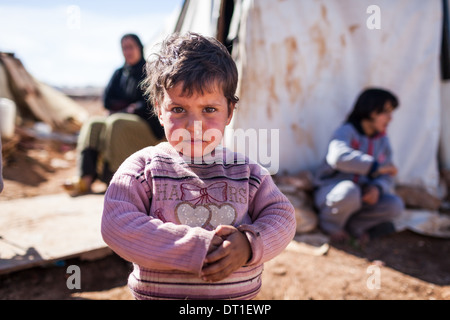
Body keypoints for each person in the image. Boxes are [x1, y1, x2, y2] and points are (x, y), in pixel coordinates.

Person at [101, 32, 296, 300]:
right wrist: (194, 247)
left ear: (229, 112)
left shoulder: (247, 172)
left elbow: (282, 215)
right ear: (159, 110)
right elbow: (116, 224)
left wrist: (250, 244)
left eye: (209, 110)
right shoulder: (143, 168)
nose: (195, 126)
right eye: (179, 109)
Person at [63, 33, 165, 196]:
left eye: (131, 47)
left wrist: (128, 107)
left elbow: (148, 103)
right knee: (93, 123)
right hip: (122, 118)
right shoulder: (120, 73)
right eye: (124, 48)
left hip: (148, 127)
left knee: (116, 122)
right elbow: (107, 101)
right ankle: (85, 179)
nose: (127, 51)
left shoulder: (149, 71)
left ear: (140, 48)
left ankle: (116, 179)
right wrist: (128, 106)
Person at [313, 88, 404, 244]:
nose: (390, 118)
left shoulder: (382, 141)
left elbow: (388, 174)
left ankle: (353, 228)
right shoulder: (346, 131)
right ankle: (331, 227)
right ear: (373, 111)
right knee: (349, 191)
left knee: (394, 204)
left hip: (362, 197)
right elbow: (337, 157)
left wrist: (377, 188)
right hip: (333, 191)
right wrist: (374, 166)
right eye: (387, 112)